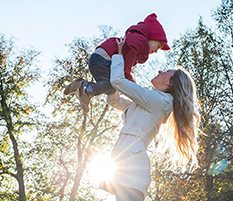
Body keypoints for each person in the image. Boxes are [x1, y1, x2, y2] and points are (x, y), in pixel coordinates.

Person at [99, 40, 200, 201]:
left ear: (170, 83)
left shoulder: (161, 102)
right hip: (125, 169)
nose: (160, 70)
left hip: (132, 172)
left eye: (167, 71)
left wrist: (119, 55)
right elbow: (114, 101)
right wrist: (109, 76)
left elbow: (118, 81)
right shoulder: (150, 101)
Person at [63, 13, 170, 113]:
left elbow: (126, 58)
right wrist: (127, 76)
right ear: (153, 36)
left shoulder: (137, 39)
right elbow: (128, 56)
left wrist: (129, 79)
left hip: (100, 59)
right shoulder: (140, 40)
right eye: (158, 46)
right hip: (103, 59)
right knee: (113, 83)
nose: (156, 51)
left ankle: (82, 85)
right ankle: (87, 89)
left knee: (110, 89)